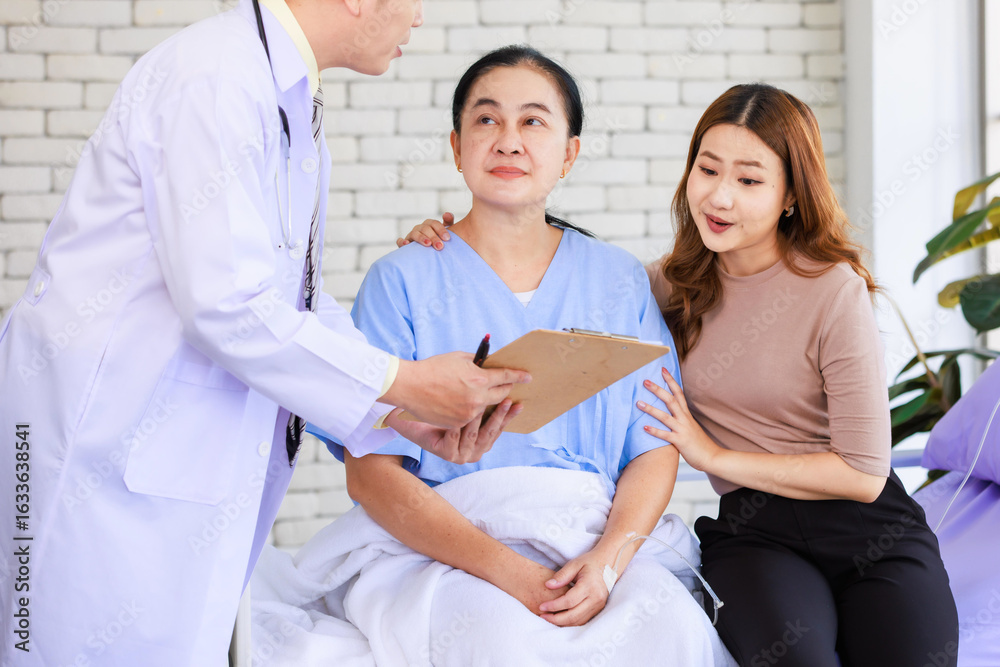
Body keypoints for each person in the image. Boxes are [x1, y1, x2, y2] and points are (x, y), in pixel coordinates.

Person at [0, 1, 531, 665]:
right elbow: (225, 302)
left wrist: (398, 408)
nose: (419, 19)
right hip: (100, 448)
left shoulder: (285, 98)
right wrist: (410, 381)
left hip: (167, 458)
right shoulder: (217, 79)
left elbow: (290, 301)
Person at [401, 84, 959, 666]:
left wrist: (710, 456)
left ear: (791, 194)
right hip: (756, 534)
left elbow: (865, 473)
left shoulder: (833, 289)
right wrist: (454, 239)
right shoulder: (667, 286)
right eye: (707, 169)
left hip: (870, 531)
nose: (719, 197)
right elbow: (559, 270)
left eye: (748, 180)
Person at [274, 45, 735, 665]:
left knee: (669, 633)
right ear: (456, 147)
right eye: (486, 120)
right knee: (498, 641)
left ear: (569, 152)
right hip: (451, 548)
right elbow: (371, 472)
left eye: (534, 121)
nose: (509, 141)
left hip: (594, 540)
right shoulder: (402, 280)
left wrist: (605, 562)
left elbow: (654, 447)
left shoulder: (618, 280)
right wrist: (512, 574)